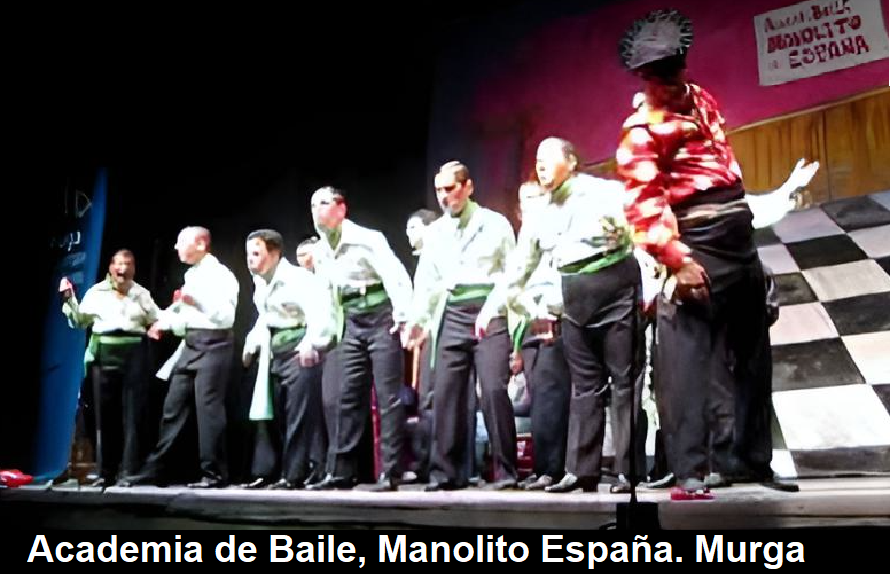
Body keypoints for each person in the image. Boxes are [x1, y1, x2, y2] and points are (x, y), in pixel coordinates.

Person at [616, 9, 814, 496]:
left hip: (738, 236)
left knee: (752, 357)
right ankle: (690, 469)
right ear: (643, 77)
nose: (664, 81)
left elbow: (724, 161)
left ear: (682, 64)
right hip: (697, 242)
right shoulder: (641, 129)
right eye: (654, 74)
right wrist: (678, 260)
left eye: (670, 69)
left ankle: (751, 461)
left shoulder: (702, 99)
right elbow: (643, 204)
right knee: (685, 362)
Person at [493, 139, 643, 494]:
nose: (541, 165)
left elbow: (638, 234)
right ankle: (582, 471)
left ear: (572, 162)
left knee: (624, 381)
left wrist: (649, 285)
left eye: (548, 158)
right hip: (573, 294)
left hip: (616, 284)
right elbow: (518, 270)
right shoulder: (540, 213)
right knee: (585, 385)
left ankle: (629, 470)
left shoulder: (604, 192)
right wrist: (526, 307)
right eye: (537, 160)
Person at [404, 160, 518, 491]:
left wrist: (494, 310)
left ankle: (506, 471)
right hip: (452, 312)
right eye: (439, 190)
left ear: (468, 187)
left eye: (450, 188)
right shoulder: (436, 232)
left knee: (493, 390)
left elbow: (511, 272)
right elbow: (427, 281)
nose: (444, 196)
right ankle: (445, 473)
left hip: (489, 309)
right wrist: (418, 320)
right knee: (446, 393)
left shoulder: (494, 224)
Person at [308, 187, 413, 491]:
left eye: (324, 203)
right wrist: (321, 337)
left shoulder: (368, 239)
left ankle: (391, 472)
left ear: (341, 209)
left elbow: (395, 276)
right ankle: (341, 472)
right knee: (347, 395)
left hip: (381, 317)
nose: (317, 210)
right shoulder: (321, 250)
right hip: (352, 321)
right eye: (313, 205)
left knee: (388, 396)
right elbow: (325, 295)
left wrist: (403, 317)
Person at [120, 226, 239, 488]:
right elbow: (185, 313)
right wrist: (163, 324)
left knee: (208, 410)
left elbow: (225, 316)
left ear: (201, 245)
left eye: (182, 242)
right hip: (192, 343)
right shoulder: (192, 275)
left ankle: (214, 473)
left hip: (215, 343)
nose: (176, 247)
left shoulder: (221, 275)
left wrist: (195, 301)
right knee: (173, 407)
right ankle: (157, 469)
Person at [241, 229, 334, 489]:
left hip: (298, 345)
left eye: (256, 253)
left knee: (299, 413)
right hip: (275, 350)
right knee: (277, 411)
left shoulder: (297, 278)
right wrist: (251, 344)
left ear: (274, 254)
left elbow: (319, 311)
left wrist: (310, 343)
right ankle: (276, 471)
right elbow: (265, 318)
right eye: (248, 254)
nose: (250, 259)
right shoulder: (261, 282)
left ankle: (295, 475)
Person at [59, 249, 160, 487]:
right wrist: (68, 299)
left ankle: (129, 472)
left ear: (134, 269)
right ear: (111, 268)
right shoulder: (97, 293)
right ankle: (107, 472)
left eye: (128, 264)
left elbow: (156, 318)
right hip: (104, 354)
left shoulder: (141, 294)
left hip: (134, 354)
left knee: (133, 416)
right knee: (106, 417)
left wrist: (158, 326)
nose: (123, 269)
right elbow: (79, 320)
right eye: (119, 264)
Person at [506, 182, 572, 491]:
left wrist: (549, 312)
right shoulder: (523, 243)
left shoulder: (556, 233)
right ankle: (541, 467)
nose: (530, 205)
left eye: (535, 198)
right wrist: (516, 344)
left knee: (551, 396)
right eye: (524, 201)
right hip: (527, 326)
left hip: (552, 319)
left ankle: (553, 469)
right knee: (536, 401)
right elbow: (511, 289)